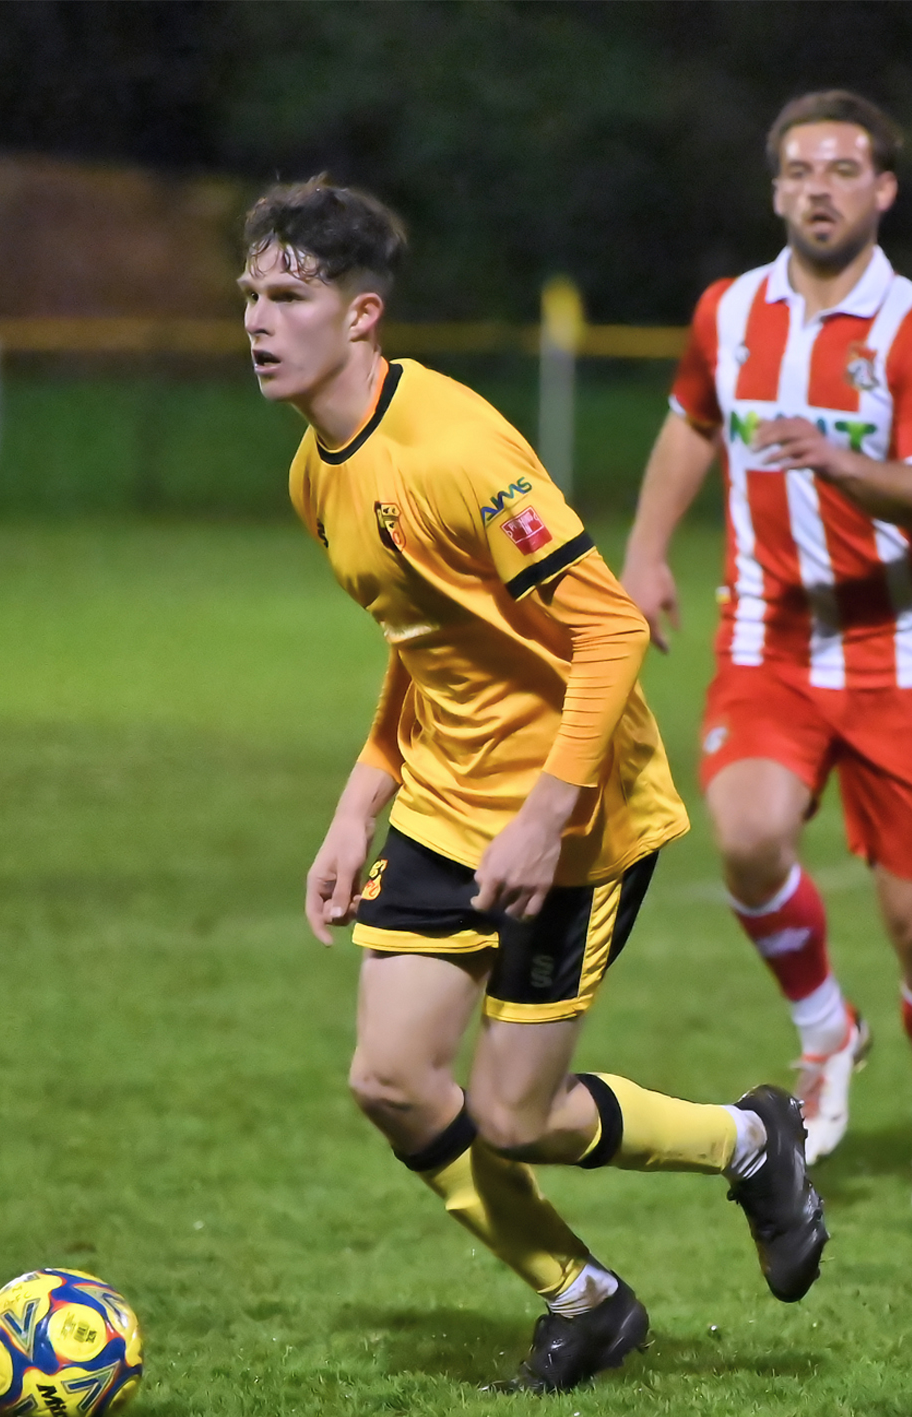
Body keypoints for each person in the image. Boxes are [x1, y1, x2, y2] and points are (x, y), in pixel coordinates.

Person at [248, 177, 825, 1393]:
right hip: (447, 806)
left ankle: (751, 1141)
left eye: (287, 295)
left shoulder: (454, 449)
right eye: (249, 292)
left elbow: (609, 629)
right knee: (392, 1082)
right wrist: (358, 806)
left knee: (514, 1116)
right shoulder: (316, 471)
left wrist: (547, 814)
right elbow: (428, 652)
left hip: (579, 814)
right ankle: (587, 1297)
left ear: (361, 316)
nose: (257, 318)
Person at [620, 90, 912, 1165]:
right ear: (775, 189)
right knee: (744, 834)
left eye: (841, 170)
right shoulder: (728, 312)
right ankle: (825, 1031)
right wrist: (648, 550)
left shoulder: (908, 326)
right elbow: (693, 424)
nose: (817, 190)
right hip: (768, 640)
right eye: (798, 172)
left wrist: (845, 463)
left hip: (897, 649)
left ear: (882, 189)